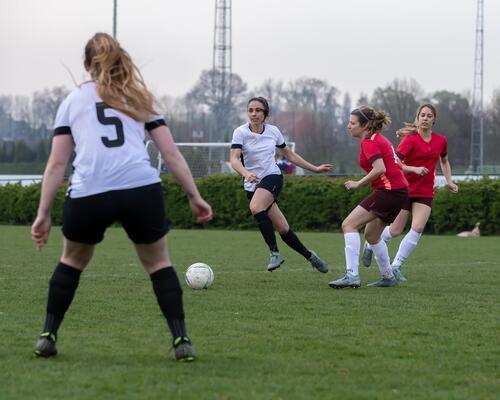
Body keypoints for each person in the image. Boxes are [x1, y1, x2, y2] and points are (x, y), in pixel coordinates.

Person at [31, 33, 212, 362]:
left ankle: (47, 335)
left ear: (87, 65)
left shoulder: (73, 101)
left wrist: (43, 213)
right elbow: (170, 153)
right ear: (120, 58)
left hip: (89, 192)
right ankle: (182, 340)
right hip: (139, 188)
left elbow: (57, 163)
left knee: (71, 261)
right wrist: (194, 195)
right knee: (158, 264)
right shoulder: (140, 97)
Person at [230, 97, 333, 272]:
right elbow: (233, 159)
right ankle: (311, 256)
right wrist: (246, 174)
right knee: (284, 229)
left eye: (258, 110)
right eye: (250, 110)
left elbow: (290, 155)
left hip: (272, 177)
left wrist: (314, 169)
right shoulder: (240, 132)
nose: (254, 114)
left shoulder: (273, 131)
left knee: (255, 207)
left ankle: (274, 253)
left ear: (265, 114)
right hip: (252, 184)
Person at [361, 104, 458, 280]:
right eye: (422, 115)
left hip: (425, 191)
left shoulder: (441, 141)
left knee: (418, 227)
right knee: (396, 230)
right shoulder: (411, 140)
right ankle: (370, 242)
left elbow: (444, 161)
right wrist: (413, 169)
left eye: (429, 116)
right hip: (404, 189)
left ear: (434, 119)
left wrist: (450, 181)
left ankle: (396, 265)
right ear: (417, 118)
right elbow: (395, 164)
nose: (426, 118)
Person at [329, 106, 409, 289]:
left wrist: (358, 183)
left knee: (348, 224)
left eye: (352, 123)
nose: (348, 126)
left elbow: (380, 169)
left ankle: (351, 275)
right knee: (372, 236)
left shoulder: (369, 142)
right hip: (399, 191)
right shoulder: (377, 139)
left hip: (390, 191)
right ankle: (388, 277)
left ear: (365, 125)